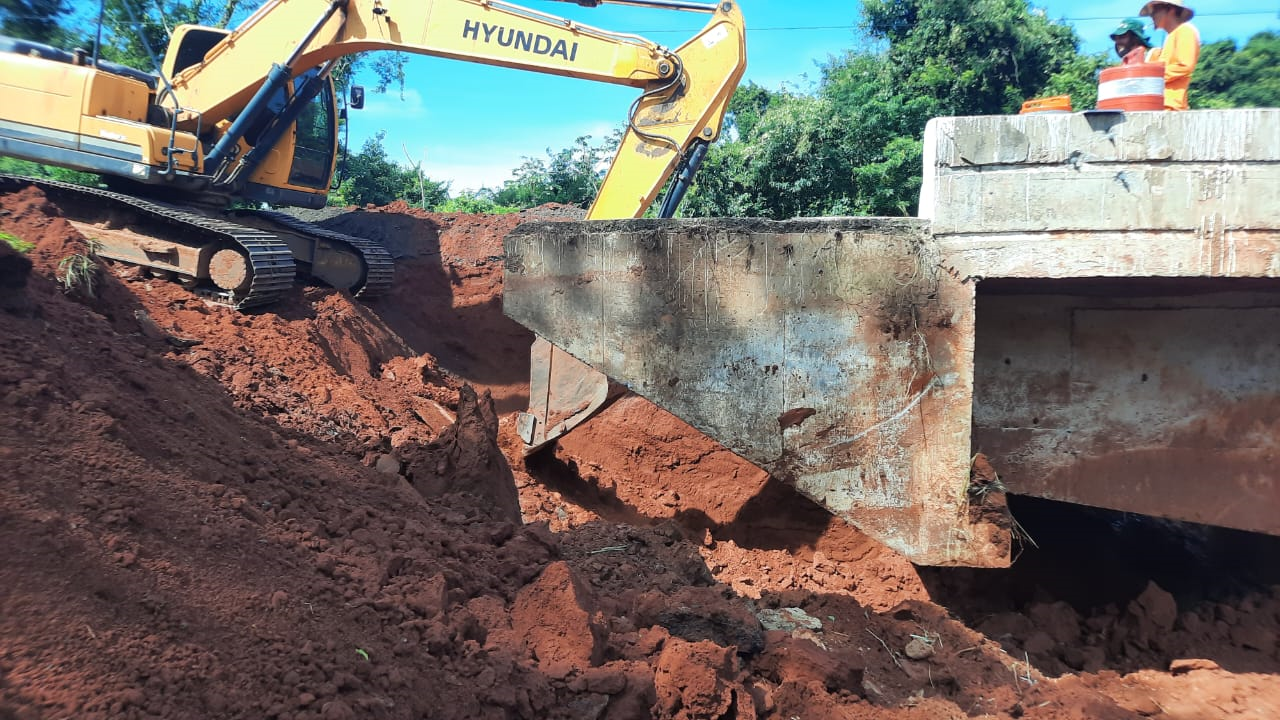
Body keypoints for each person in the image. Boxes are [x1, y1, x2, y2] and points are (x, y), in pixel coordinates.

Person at [1140, 0, 1201, 110]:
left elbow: (1184, 66)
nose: (1152, 16)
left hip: (1172, 107)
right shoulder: (1171, 36)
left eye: (1155, 11)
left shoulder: (1185, 30)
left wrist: (1153, 76)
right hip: (1159, 106)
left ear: (1171, 10)